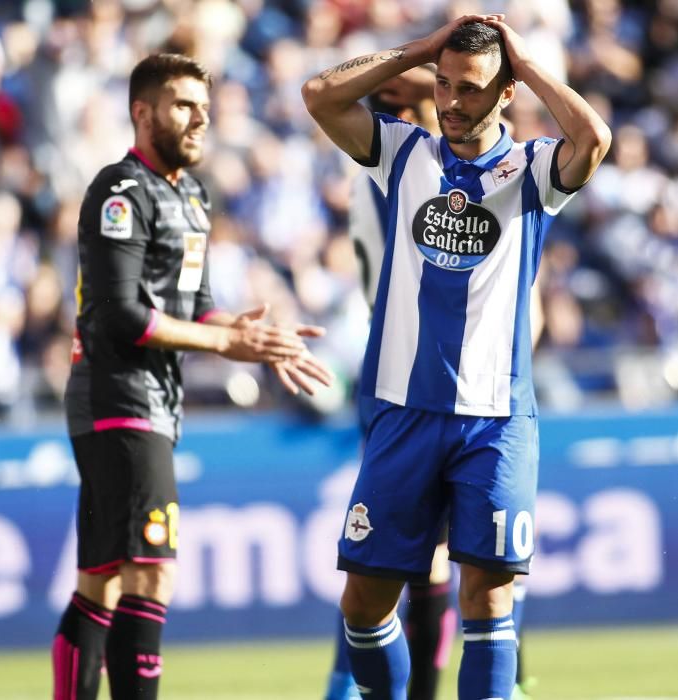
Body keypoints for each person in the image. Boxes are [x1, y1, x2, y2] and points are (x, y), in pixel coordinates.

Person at [303, 13, 611, 700]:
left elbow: (592, 138)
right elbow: (320, 93)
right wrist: (419, 49)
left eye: (469, 89)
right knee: (363, 606)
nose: (449, 102)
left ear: (504, 93)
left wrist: (526, 65)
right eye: (441, 86)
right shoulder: (400, 151)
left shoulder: (531, 169)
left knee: (488, 599)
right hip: (402, 409)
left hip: (494, 418)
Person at [52, 53, 332, 700]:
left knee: (103, 581)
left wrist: (254, 337)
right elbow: (121, 313)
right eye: (183, 104)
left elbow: (194, 305)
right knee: (152, 574)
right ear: (142, 112)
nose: (200, 116)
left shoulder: (191, 195)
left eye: (204, 105)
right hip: (118, 398)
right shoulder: (120, 191)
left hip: (151, 401)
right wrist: (226, 342)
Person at [325, 65, 457, 700]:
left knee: (400, 556)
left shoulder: (383, 173)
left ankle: (346, 682)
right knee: (408, 558)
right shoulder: (396, 171)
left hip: (402, 371)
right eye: (417, 100)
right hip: (410, 378)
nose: (437, 108)